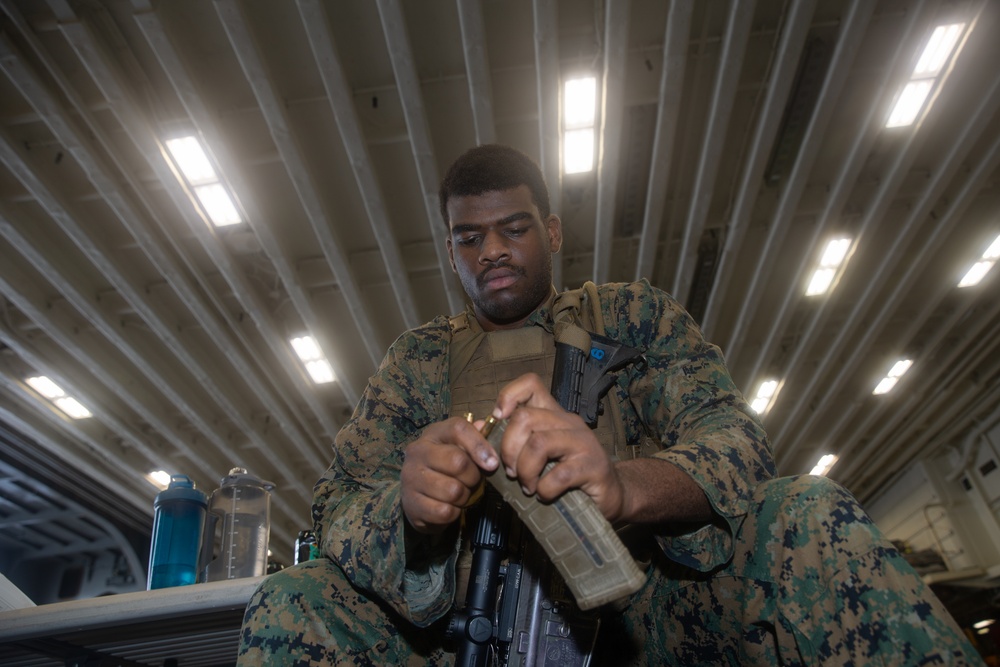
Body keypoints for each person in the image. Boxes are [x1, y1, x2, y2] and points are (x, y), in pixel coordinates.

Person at [238, 144, 980, 665]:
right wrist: (404, 507)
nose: (492, 250)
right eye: (470, 237)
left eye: (514, 228)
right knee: (291, 599)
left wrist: (626, 487)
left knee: (807, 514)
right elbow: (334, 505)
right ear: (451, 251)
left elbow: (737, 443)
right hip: (457, 635)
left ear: (552, 231)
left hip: (648, 622)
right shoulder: (416, 362)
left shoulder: (629, 316)